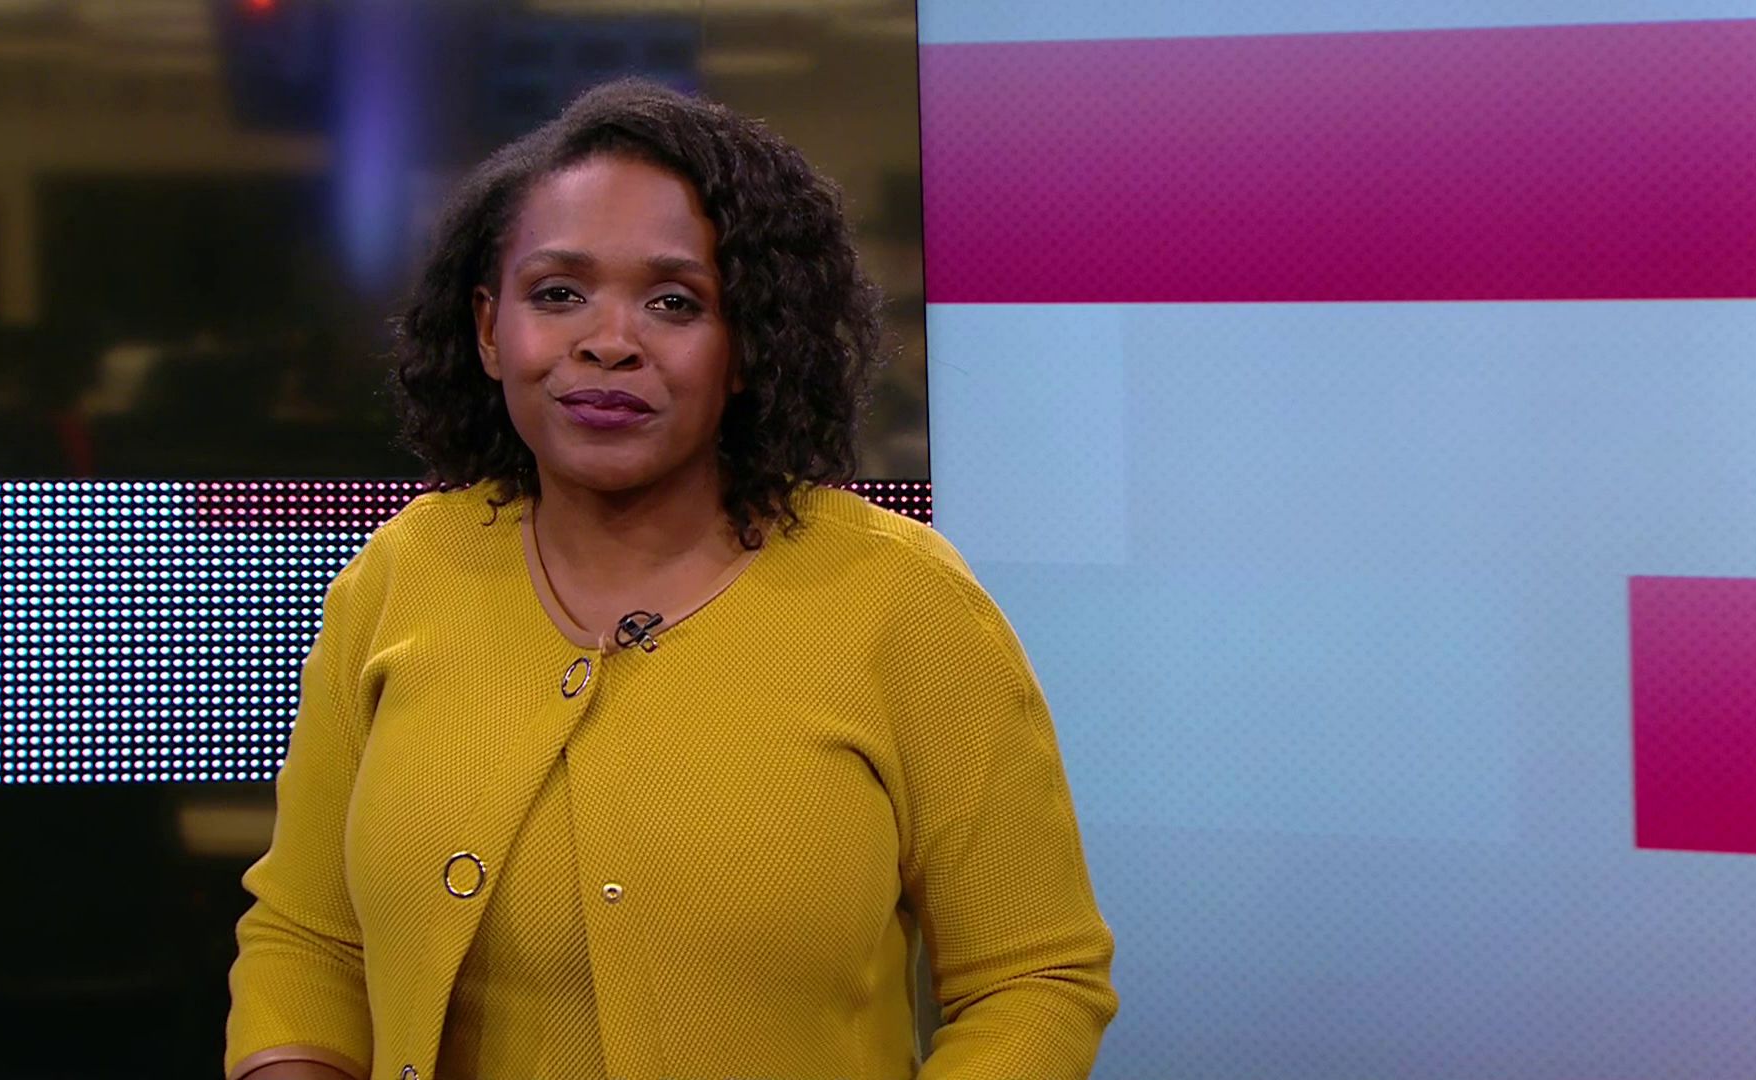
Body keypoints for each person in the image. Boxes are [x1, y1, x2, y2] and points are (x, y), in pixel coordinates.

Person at [224, 77, 1118, 1080]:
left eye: (674, 303)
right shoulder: (400, 577)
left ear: (749, 346)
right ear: (487, 329)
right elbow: (309, 940)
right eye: (557, 294)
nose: (609, 343)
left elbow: (1034, 979)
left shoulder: (902, 600)